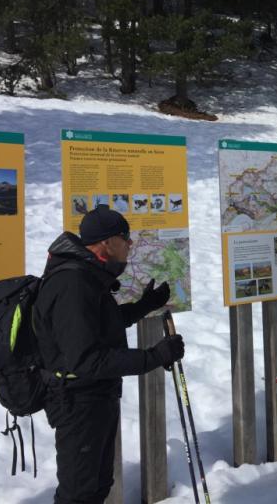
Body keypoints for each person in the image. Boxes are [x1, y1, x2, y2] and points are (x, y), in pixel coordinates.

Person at [33, 205, 185, 504]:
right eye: (124, 238)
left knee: (98, 485)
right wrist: (154, 356)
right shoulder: (72, 284)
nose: (129, 244)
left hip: (95, 397)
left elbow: (99, 324)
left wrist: (144, 305)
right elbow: (85, 358)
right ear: (106, 243)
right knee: (79, 495)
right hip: (77, 401)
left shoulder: (86, 276)